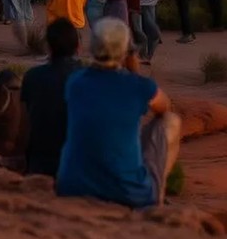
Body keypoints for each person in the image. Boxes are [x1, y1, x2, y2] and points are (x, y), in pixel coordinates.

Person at [57, 18, 181, 208]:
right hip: (127, 192)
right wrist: (134, 70)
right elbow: (165, 107)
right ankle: (157, 201)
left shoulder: (75, 82)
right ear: (126, 50)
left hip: (73, 185)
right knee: (171, 121)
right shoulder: (139, 87)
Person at [21, 18, 82, 177]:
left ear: (48, 47)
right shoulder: (88, 79)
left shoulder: (32, 77)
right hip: (77, 162)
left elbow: (24, 121)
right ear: (78, 47)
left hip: (40, 162)